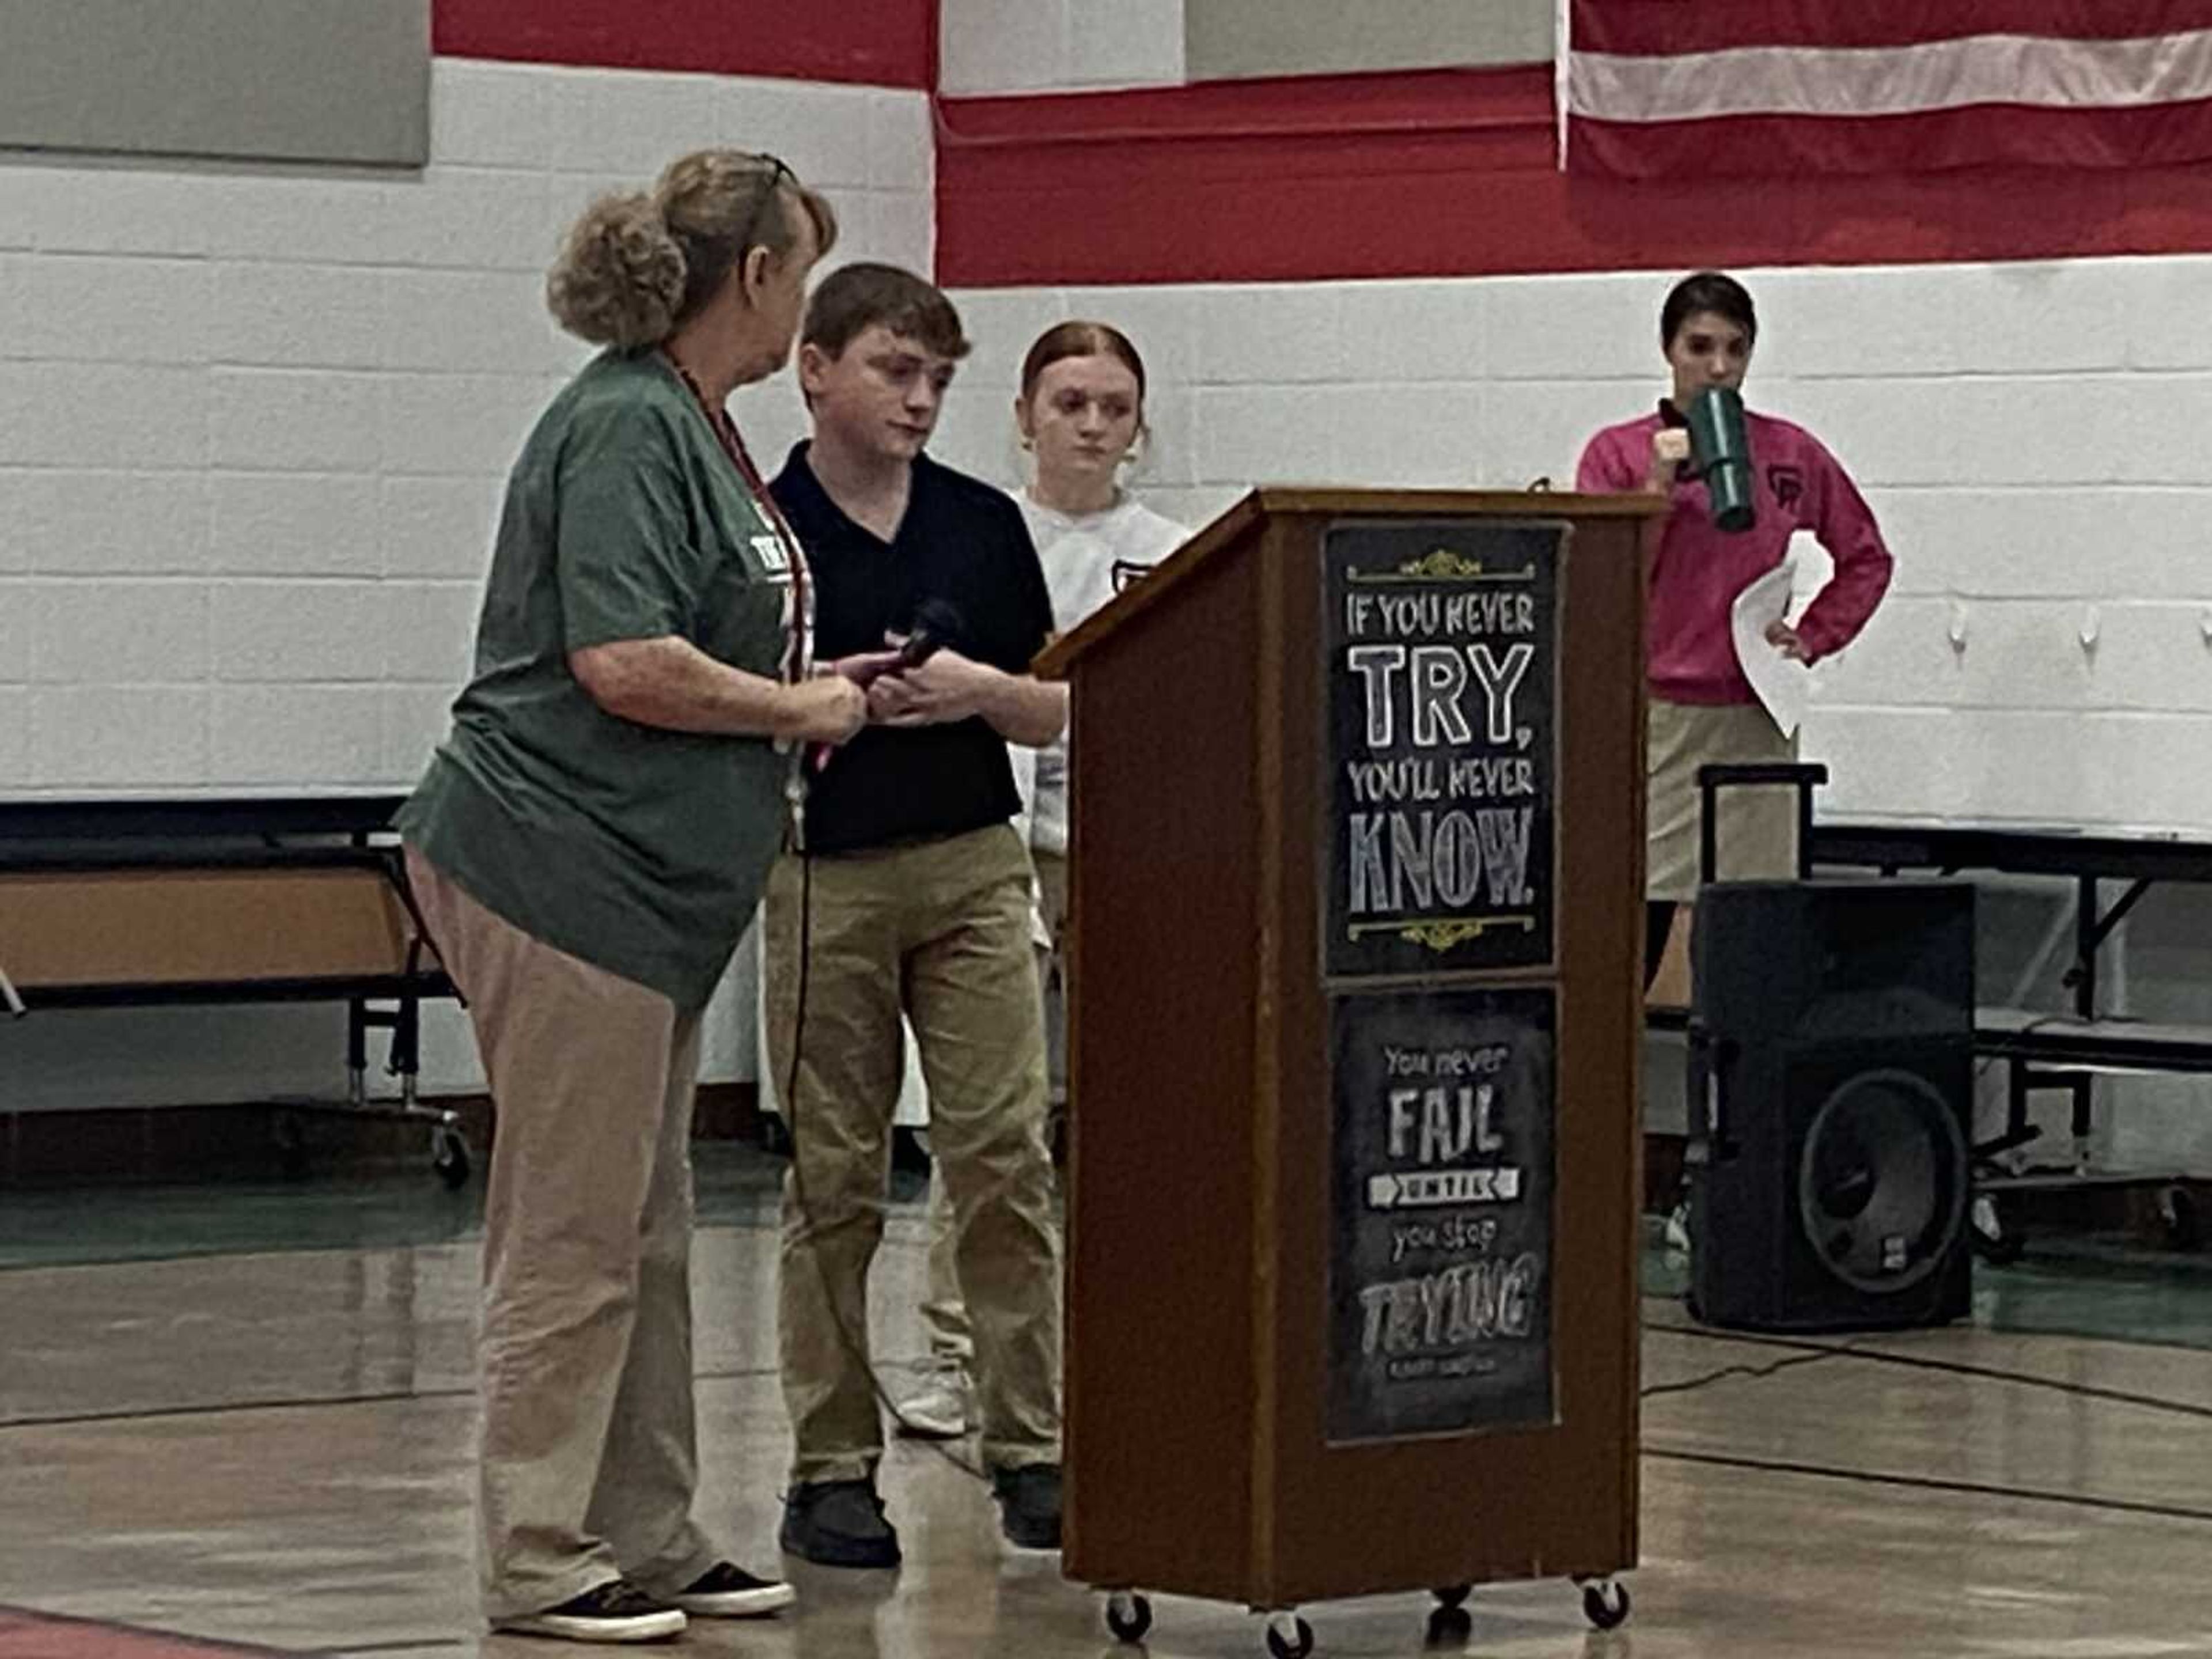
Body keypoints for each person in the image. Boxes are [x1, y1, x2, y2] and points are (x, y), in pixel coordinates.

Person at [396, 150, 868, 1645]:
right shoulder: (619, 425)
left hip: (655, 894)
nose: (807, 296)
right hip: (563, 871)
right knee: (573, 1231)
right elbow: (623, 663)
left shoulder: (698, 425)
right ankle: (539, 1554)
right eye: (805, 267)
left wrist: (796, 691)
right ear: (759, 278)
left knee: (648, 1231)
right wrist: (793, 714)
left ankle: (649, 1532)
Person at [763, 263, 1069, 1567]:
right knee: (832, 1173)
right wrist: (815, 692)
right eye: (895, 368)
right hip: (823, 863)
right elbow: (720, 693)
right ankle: (830, 1463)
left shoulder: (980, 523)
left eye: (938, 376)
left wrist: (974, 689)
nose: (920, 397)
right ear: (816, 367)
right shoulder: (761, 526)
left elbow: (1053, 705)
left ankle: (1031, 1442)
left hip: (971, 858)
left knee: (1003, 1149)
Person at [897, 321, 1187, 1442]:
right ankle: (955, 1356)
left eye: (1114, 406)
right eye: (1069, 402)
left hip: (1123, 846)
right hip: (999, 848)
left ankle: (1122, 1336)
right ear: (1024, 414)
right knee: (993, 1116)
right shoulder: (974, 533)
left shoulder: (1169, 549)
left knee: (1131, 1107)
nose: (1092, 425)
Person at [1574, 271, 1893, 992]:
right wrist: (1655, 491)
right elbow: (1600, 581)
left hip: (1754, 710)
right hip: (1660, 712)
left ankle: (1749, 1091)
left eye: (1735, 349)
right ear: (1669, 350)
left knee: (1753, 922)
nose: (1718, 366)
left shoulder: (1789, 452)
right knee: (1642, 914)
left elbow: (1866, 556)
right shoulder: (1617, 454)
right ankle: (1610, 1088)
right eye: (1700, 347)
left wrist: (1813, 635)